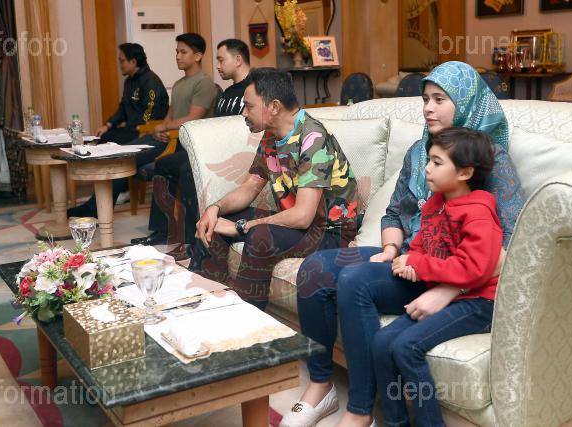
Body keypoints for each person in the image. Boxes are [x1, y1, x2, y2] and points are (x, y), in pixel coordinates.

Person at [282, 61, 524, 427]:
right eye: (426, 99)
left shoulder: (487, 159)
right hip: (410, 256)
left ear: (465, 102)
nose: (428, 108)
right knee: (316, 268)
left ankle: (360, 410)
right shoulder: (418, 152)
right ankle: (321, 385)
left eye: (439, 100)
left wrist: (448, 290)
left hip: (446, 274)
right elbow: (395, 213)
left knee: (355, 281)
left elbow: (509, 244)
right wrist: (391, 250)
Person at [186, 67, 358, 311]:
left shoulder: (313, 138)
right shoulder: (271, 135)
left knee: (260, 235)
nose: (244, 113)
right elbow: (250, 186)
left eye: (249, 106)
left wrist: (242, 227)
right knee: (212, 221)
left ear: (274, 107)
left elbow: (303, 215)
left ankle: (245, 320)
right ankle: (201, 303)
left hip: (329, 233)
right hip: (302, 227)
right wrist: (215, 208)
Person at [373, 127, 501, 426]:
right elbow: (422, 245)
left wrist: (420, 263)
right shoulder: (435, 203)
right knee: (381, 343)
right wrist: (409, 264)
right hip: (445, 291)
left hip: (479, 301)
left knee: (406, 347)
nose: (427, 168)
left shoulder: (478, 211)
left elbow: (474, 268)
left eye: (437, 162)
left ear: (465, 173)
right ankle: (396, 422)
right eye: (428, 160)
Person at [131, 39, 251, 258]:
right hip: (215, 150)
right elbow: (215, 127)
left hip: (239, 155)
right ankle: (162, 230)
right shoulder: (226, 93)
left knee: (189, 170)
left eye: (221, 60)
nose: (217, 65)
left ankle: (190, 240)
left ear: (238, 59)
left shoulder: (254, 89)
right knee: (164, 164)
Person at [67, 43, 169, 218]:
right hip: (131, 129)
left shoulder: (151, 81)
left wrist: (137, 128)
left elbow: (150, 115)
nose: (119, 64)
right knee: (103, 138)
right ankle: (103, 196)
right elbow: (123, 108)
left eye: (122, 61)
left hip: (145, 132)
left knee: (113, 149)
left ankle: (111, 194)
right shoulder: (129, 81)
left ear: (133, 61)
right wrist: (108, 125)